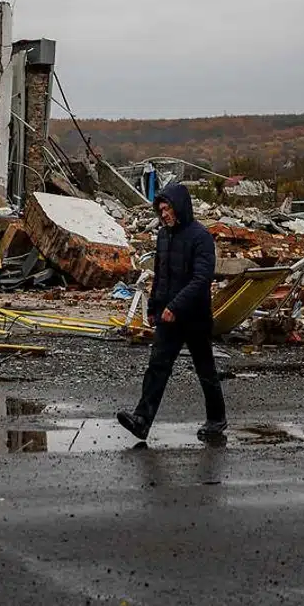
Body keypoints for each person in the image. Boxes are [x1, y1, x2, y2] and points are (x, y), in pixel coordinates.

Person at [117, 182, 228, 442]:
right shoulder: (164, 236)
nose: (164, 214)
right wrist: (155, 307)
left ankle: (216, 419)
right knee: (157, 365)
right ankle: (142, 420)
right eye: (161, 209)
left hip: (195, 316)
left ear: (180, 207)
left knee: (205, 368)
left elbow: (201, 278)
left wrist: (174, 306)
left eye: (167, 208)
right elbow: (161, 275)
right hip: (168, 315)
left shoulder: (200, 237)